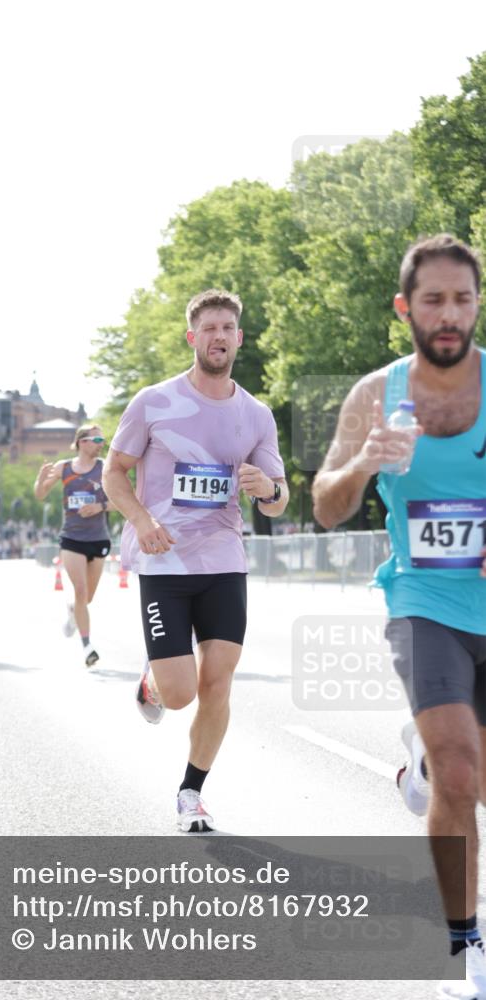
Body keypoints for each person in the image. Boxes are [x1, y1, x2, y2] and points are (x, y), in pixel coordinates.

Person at [312, 234, 486, 999]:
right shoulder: (372, 395)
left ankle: (420, 758)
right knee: (459, 768)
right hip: (424, 599)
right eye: (431, 300)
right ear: (403, 308)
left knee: (468, 777)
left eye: (462, 299)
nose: (448, 315)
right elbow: (325, 506)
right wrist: (365, 463)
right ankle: (466, 946)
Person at [103, 289, 288, 832]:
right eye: (208, 328)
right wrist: (140, 520)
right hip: (164, 562)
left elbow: (277, 499)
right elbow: (115, 473)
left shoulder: (255, 414)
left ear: (239, 338)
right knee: (180, 694)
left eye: (227, 327)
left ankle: (191, 792)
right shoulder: (153, 402)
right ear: (192, 337)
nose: (218, 336)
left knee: (218, 684)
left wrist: (267, 489)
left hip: (224, 559)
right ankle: (155, 679)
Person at [34, 424, 113, 666]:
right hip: (71, 538)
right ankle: (87, 646)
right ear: (81, 442)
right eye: (96, 439)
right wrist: (40, 479)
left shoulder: (105, 468)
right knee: (80, 591)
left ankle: (72, 612)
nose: (101, 443)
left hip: (98, 538)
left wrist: (100, 506)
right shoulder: (64, 468)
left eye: (102, 439)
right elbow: (40, 494)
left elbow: (122, 500)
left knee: (86, 598)